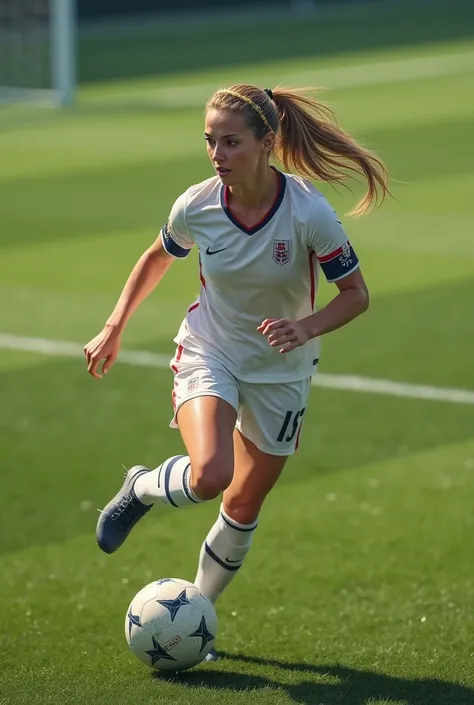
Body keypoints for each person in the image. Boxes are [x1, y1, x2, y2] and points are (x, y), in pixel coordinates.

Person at [84, 84, 389, 659]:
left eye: (230, 142)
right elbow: (158, 255)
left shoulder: (308, 212)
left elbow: (356, 294)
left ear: (266, 143)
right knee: (210, 474)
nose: (217, 155)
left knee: (244, 503)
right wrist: (115, 324)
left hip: (283, 370)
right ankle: (140, 488)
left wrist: (307, 327)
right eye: (210, 141)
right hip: (212, 349)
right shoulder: (196, 205)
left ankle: (192, 615)